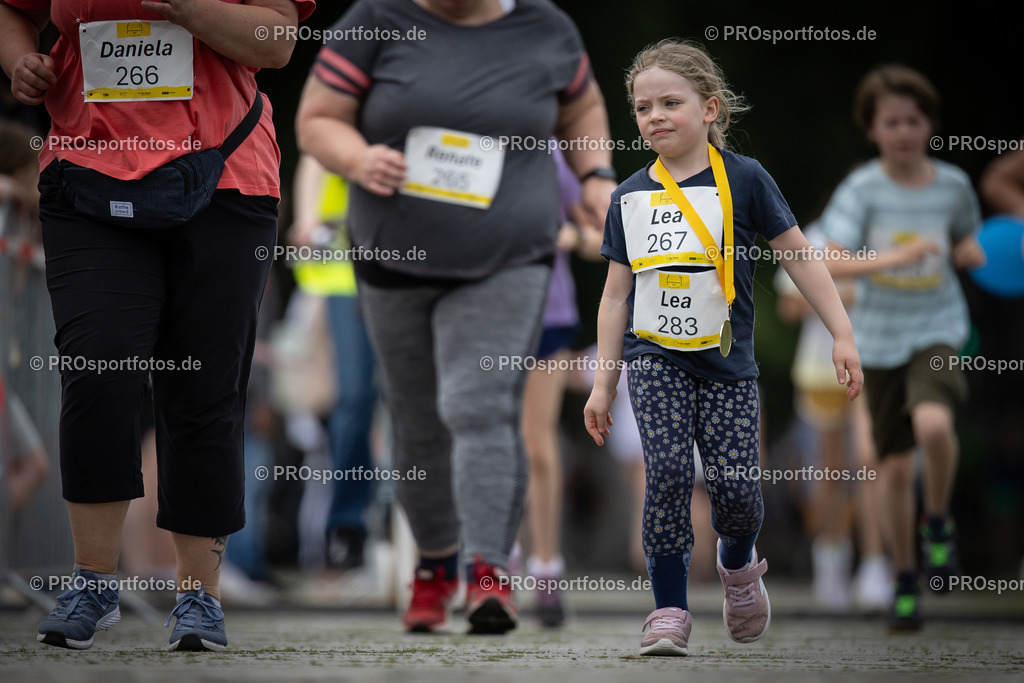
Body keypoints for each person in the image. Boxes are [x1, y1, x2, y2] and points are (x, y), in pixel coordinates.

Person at [0, 0, 315, 651]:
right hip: (87, 178)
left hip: (224, 179)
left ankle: (198, 596)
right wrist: (19, 61)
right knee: (97, 365)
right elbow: (14, 11)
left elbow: (278, 41)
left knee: (205, 387)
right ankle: (92, 581)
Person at [296, 0, 615, 634]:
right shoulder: (373, 22)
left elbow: (581, 106)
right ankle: (435, 567)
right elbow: (316, 121)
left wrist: (598, 175)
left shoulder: (545, 27)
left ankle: (489, 574)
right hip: (394, 257)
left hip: (508, 257)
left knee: (481, 405)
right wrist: (357, 159)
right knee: (416, 417)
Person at [584, 39, 862, 656]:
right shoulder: (627, 196)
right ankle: (669, 612)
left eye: (670, 103)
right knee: (667, 474)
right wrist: (605, 383)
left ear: (711, 109)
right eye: (642, 106)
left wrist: (841, 332)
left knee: (737, 489)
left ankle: (739, 570)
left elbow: (798, 256)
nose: (654, 116)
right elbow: (612, 298)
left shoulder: (747, 178)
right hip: (653, 361)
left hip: (728, 366)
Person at [820, 64, 985, 632]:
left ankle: (937, 523)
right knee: (889, 468)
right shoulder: (863, 188)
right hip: (878, 339)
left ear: (930, 125)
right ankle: (906, 578)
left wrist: (970, 251)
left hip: (937, 326)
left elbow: (967, 235)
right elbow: (829, 259)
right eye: (891, 121)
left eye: (914, 120)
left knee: (935, 427)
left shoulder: (954, 185)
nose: (904, 131)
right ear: (873, 129)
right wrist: (890, 260)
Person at [775, 221, 890, 612]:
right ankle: (831, 561)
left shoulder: (888, 237)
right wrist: (841, 298)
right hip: (821, 369)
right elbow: (788, 304)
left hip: (876, 363)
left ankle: (875, 565)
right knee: (830, 468)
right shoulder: (815, 236)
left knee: (868, 459)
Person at [518, 145, 602, 627]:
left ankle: (546, 570)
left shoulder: (553, 154)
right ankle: (492, 565)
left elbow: (599, 238)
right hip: (479, 314)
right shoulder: (468, 139)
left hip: (548, 315)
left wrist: (570, 235)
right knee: (486, 438)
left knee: (536, 444)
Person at [289, 155, 378, 571]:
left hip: (414, 271)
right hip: (346, 275)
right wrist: (307, 217)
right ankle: (348, 524)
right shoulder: (346, 95)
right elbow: (316, 153)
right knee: (355, 398)